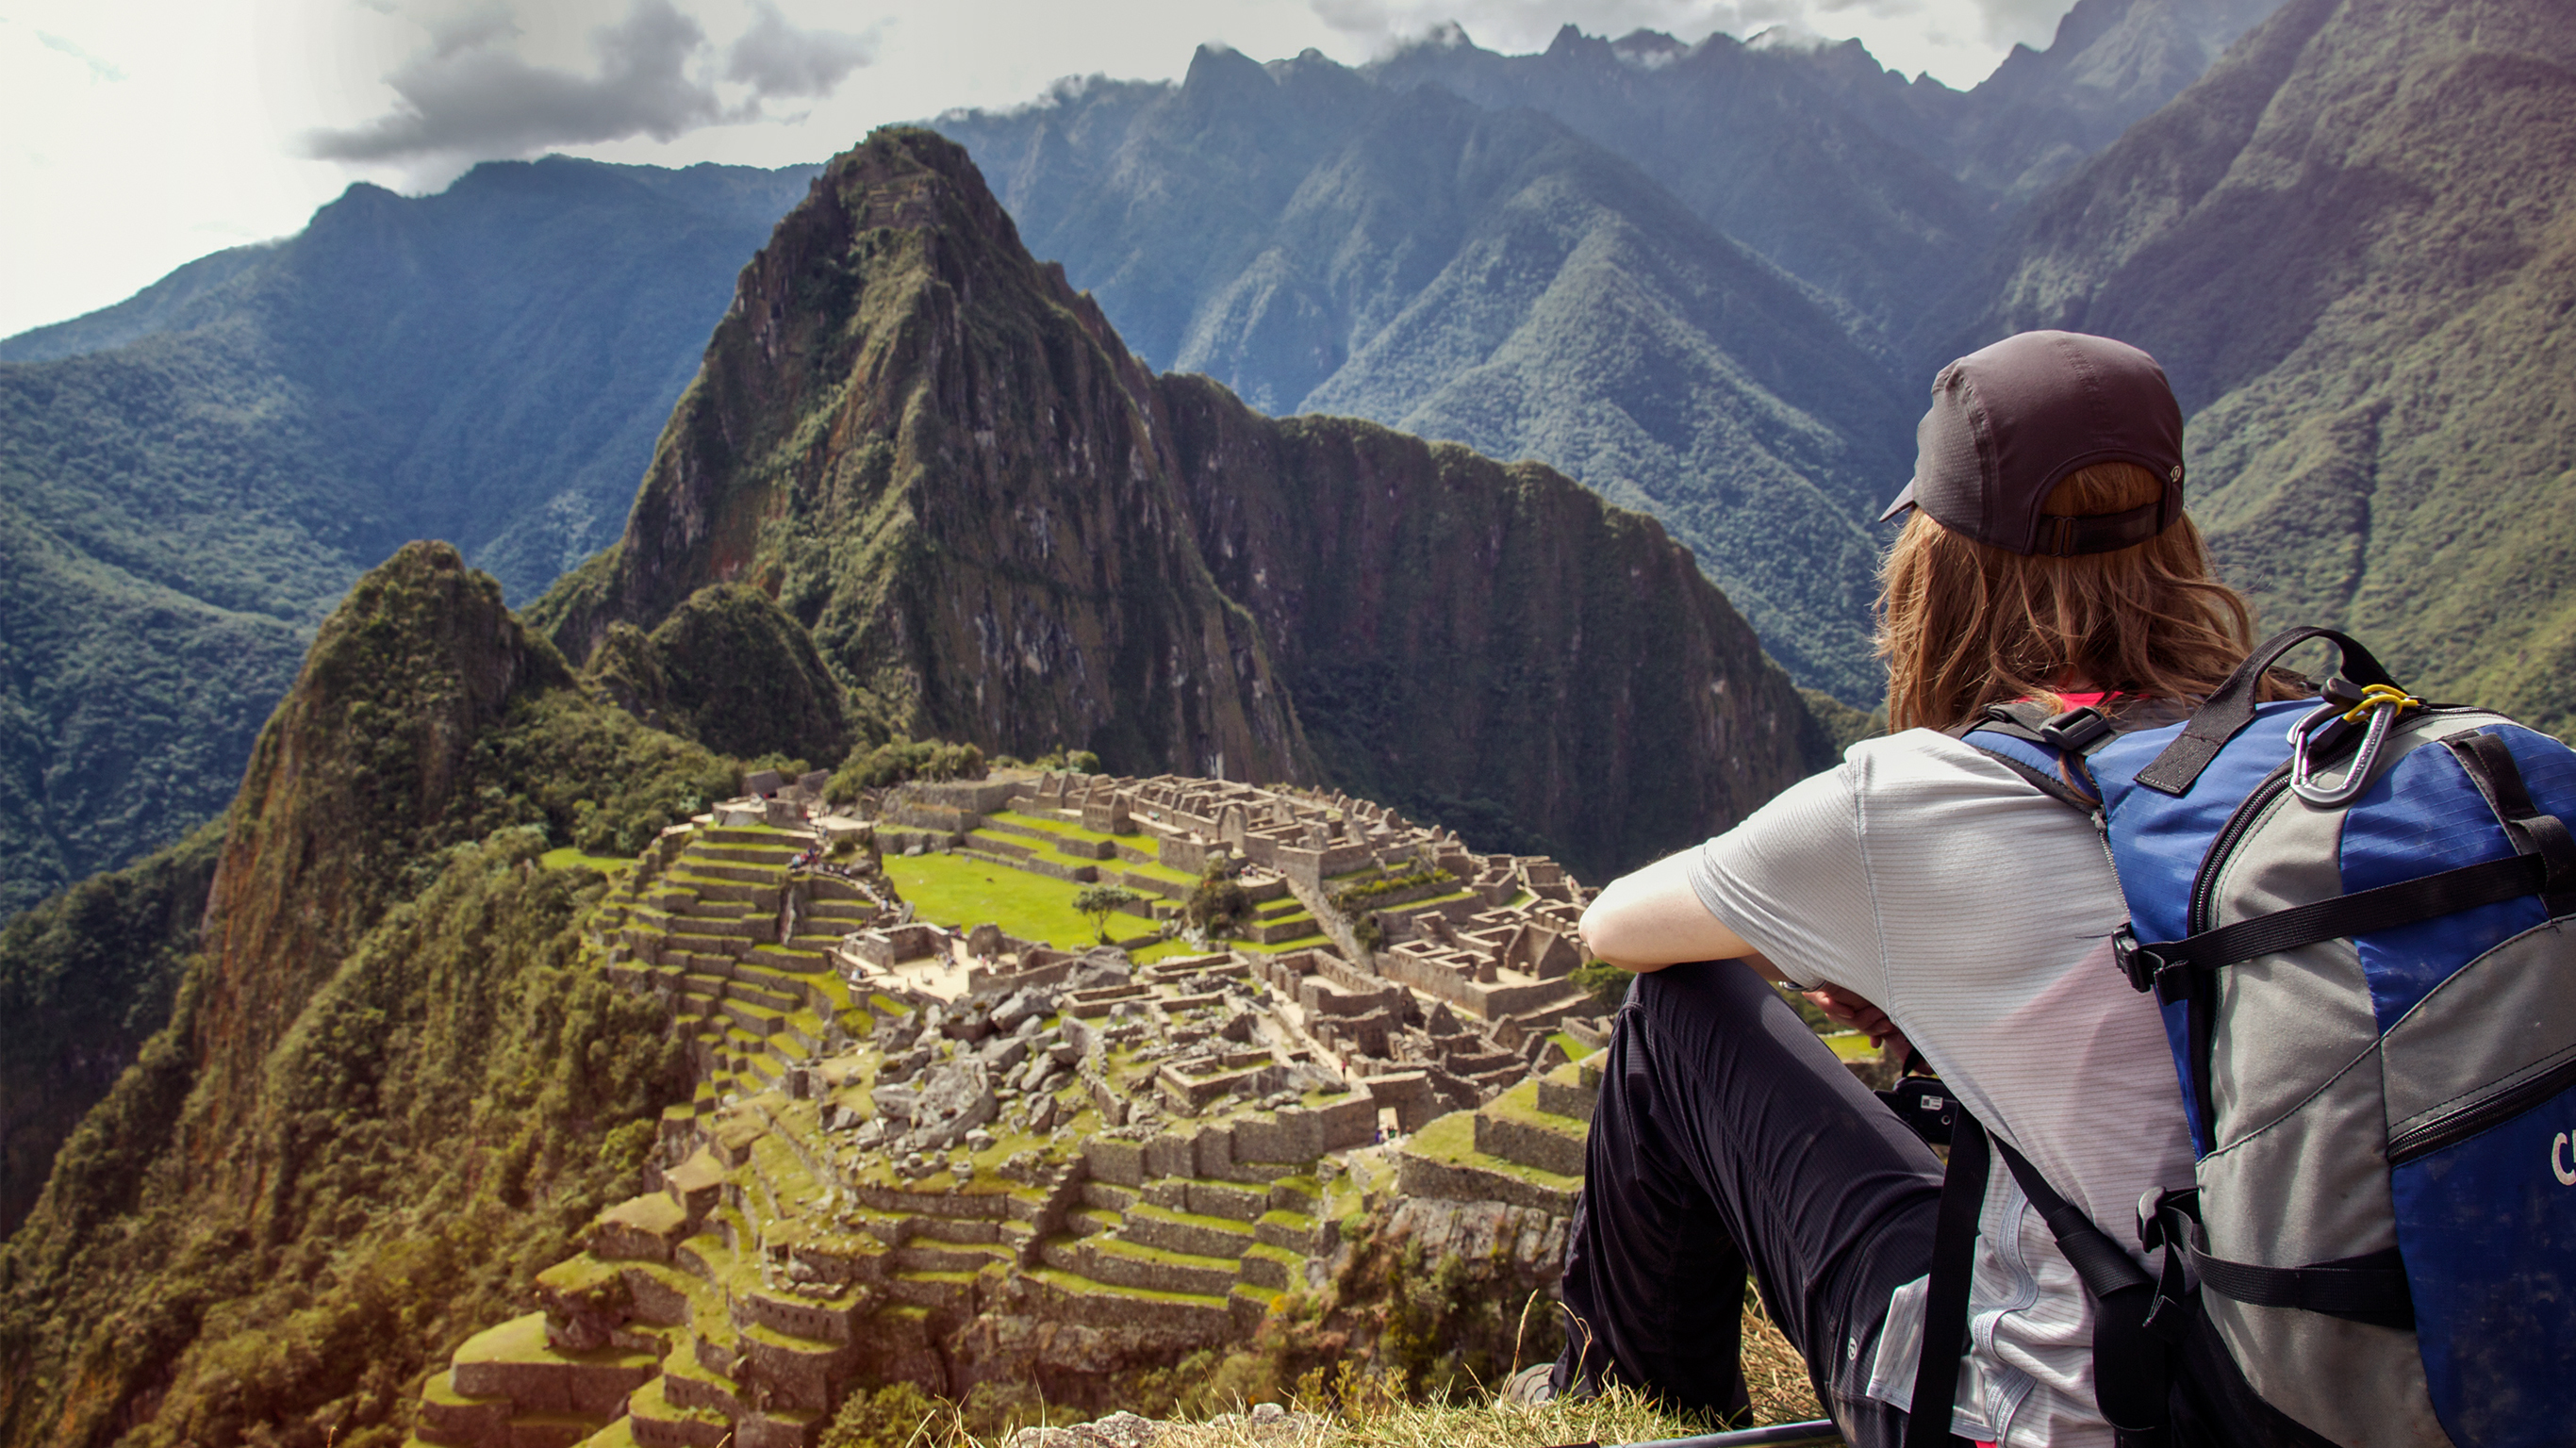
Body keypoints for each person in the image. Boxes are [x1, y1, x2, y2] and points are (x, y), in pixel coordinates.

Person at [1544, 330, 2275, 1446]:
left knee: (1675, 1014)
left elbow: (1613, 928)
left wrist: (1857, 939)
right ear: (2178, 543)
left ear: (1940, 563)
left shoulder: (1912, 805)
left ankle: (1641, 1414)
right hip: (2358, 1386)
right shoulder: (2336, 757)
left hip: (2071, 1417)